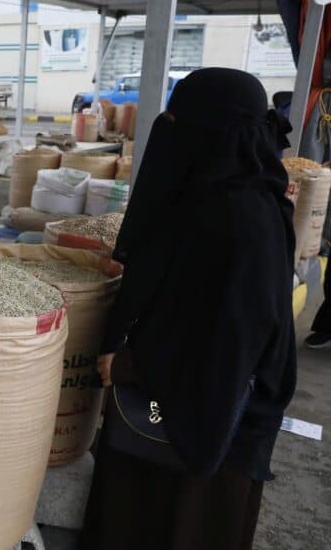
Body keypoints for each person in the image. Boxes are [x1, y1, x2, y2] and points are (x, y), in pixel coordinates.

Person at [81, 68, 297, 550]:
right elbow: (188, 284)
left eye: (178, 120)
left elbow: (234, 338)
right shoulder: (210, 197)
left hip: (200, 431)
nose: (167, 130)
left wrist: (134, 364)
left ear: (211, 133)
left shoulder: (243, 219)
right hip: (169, 410)